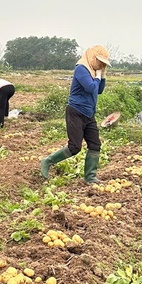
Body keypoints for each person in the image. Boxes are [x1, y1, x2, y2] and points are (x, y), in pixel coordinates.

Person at [40, 45, 110, 184]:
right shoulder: (81, 69)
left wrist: (101, 76)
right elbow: (90, 88)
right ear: (92, 57)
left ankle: (90, 177)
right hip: (76, 112)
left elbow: (99, 90)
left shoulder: (93, 71)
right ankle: (48, 161)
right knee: (75, 147)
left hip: (89, 114)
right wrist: (96, 77)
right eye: (99, 62)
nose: (101, 65)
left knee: (95, 144)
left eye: (103, 64)